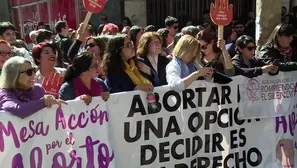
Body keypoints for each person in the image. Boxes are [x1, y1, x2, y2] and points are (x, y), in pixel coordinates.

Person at [0, 56, 66, 118]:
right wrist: (43, 102)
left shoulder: (38, 89)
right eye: (29, 72)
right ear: (14, 76)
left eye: (34, 70)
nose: (34, 75)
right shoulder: (4, 93)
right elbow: (19, 110)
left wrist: (51, 99)